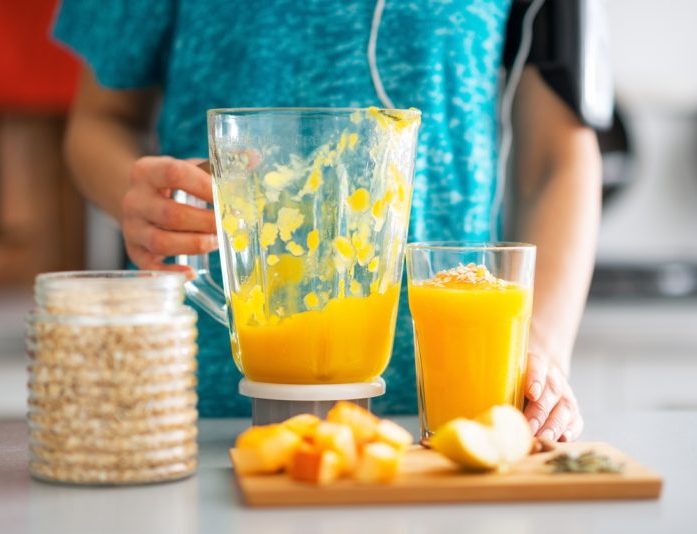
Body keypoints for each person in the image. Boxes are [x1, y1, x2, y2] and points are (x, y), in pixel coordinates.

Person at [54, 0, 600, 442]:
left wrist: (539, 351)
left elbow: (558, 158)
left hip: (450, 424)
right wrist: (143, 195)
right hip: (191, 417)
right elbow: (100, 120)